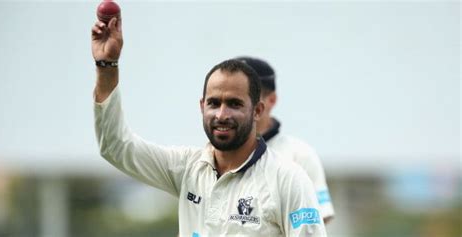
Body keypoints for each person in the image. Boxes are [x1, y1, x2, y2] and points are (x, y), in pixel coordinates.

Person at [91, 17, 327, 236]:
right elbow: (115, 146)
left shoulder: (288, 179)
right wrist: (106, 66)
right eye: (214, 103)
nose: (222, 115)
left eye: (234, 104)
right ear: (202, 106)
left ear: (257, 111)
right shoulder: (186, 168)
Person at [235, 56, 335, 223]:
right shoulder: (211, 154)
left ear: (271, 100)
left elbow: (316, 223)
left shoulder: (300, 155)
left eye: (249, 96)